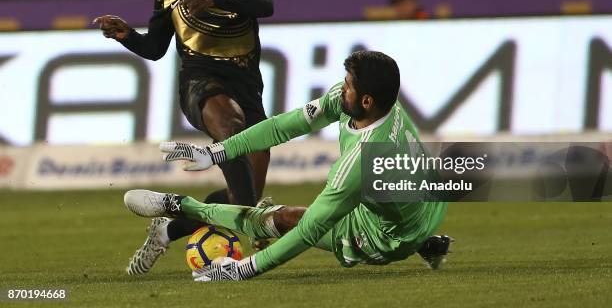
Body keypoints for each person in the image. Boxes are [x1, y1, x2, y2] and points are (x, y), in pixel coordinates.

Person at [124, 51, 450, 281]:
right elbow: (284, 127)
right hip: (426, 201)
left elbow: (309, 231)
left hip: (385, 236)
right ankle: (424, 240)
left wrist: (244, 269)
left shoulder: (361, 163)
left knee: (278, 219)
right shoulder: (378, 103)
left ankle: (180, 206)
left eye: (348, 85)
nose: (341, 89)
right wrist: (217, 153)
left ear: (367, 101)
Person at [93, 0, 274, 275]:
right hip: (200, 83)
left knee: (240, 196)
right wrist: (127, 35)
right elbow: (155, 48)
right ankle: (254, 227)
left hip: (246, 84)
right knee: (231, 126)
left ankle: (167, 229)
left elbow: (264, 4)